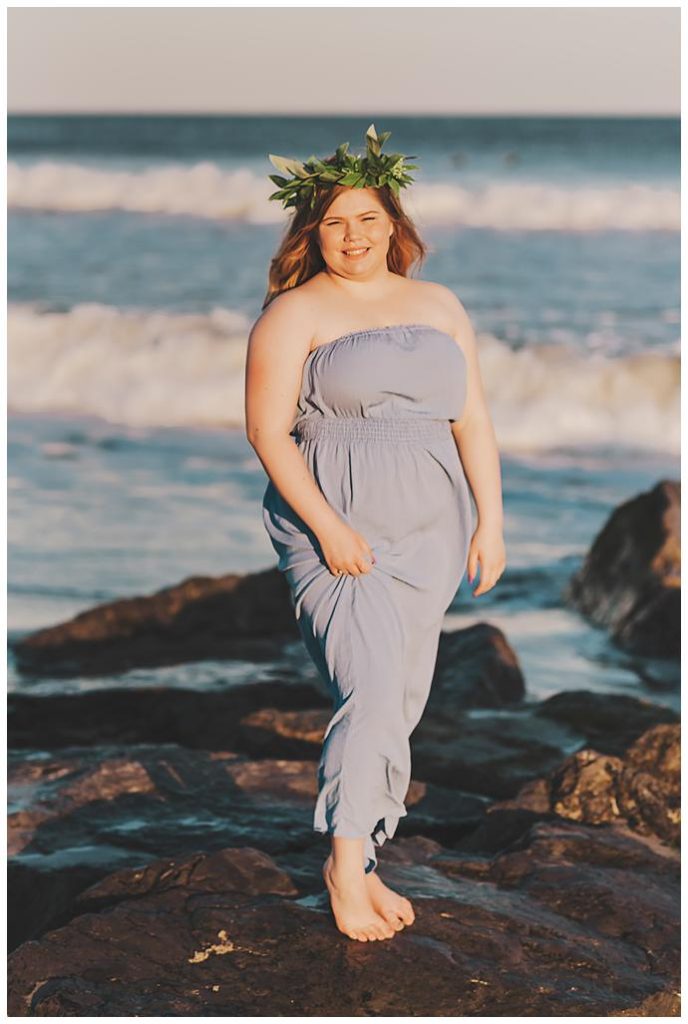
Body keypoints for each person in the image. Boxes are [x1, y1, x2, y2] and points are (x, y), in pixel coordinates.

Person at [245, 124, 505, 943]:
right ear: (310, 232)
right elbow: (266, 432)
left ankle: (362, 854)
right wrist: (327, 529)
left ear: (394, 220)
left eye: (366, 218)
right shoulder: (297, 311)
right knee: (370, 688)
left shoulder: (439, 305)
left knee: (400, 698)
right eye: (333, 223)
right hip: (339, 525)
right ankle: (341, 865)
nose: (352, 237)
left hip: (433, 522)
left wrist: (490, 520)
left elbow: (472, 420)